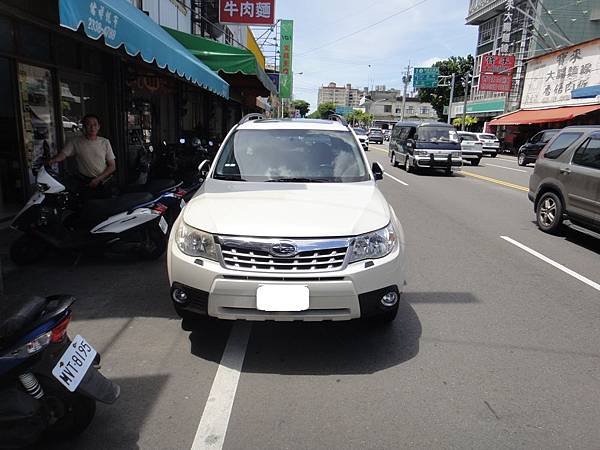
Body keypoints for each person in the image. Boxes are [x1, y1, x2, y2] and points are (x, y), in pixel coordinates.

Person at [49, 114, 116, 195]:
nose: (92, 127)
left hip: (103, 181)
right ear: (83, 127)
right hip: (85, 182)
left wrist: (98, 179)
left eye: (95, 124)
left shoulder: (105, 142)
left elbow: (112, 166)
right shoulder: (75, 141)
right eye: (88, 124)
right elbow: (63, 154)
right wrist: (53, 160)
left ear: (99, 127)